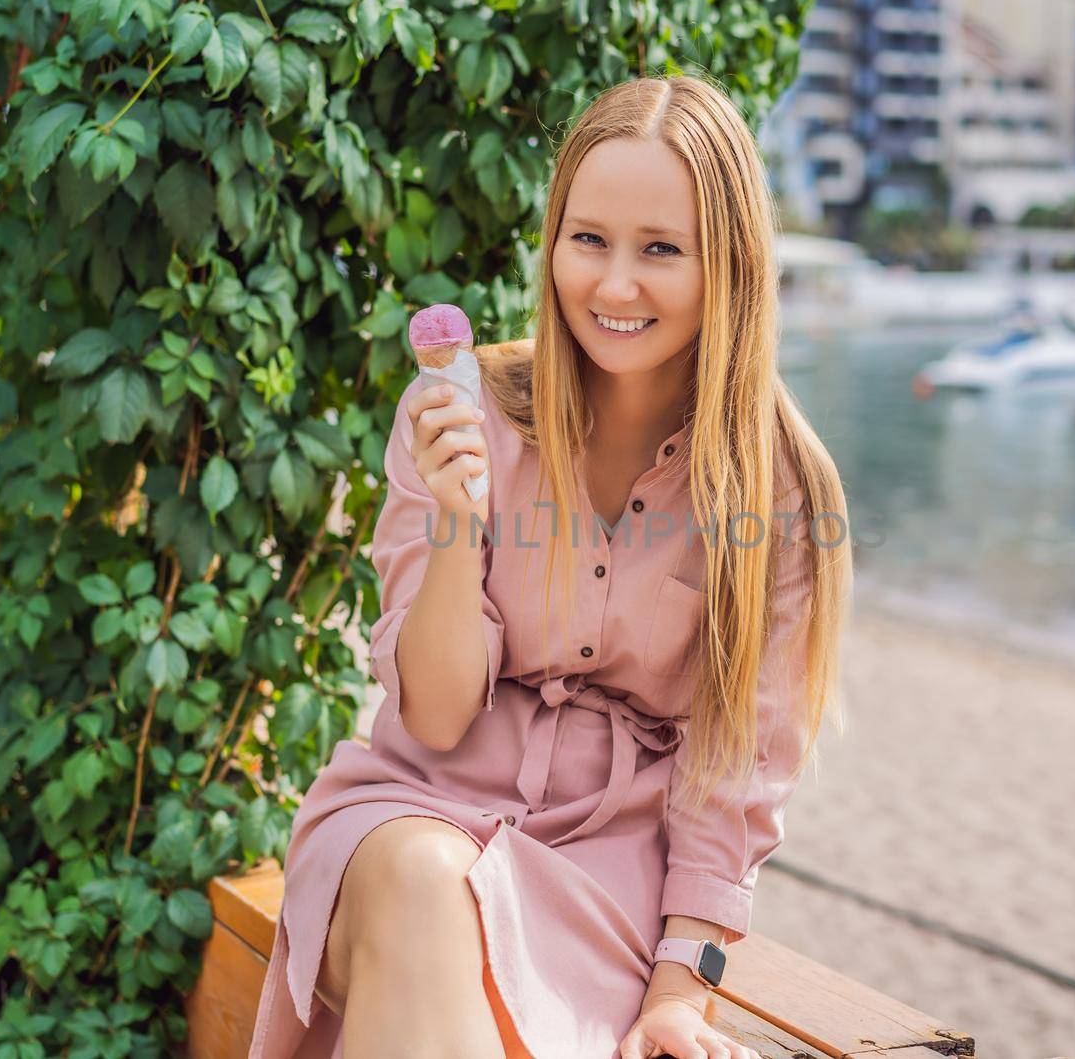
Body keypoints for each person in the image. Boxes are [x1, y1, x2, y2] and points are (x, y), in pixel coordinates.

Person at [249, 73, 851, 1059]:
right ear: (554, 243)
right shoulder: (458, 409)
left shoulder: (781, 490)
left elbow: (730, 784)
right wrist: (457, 518)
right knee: (424, 885)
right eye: (588, 240)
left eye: (660, 249)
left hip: (606, 881)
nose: (614, 285)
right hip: (410, 816)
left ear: (729, 265)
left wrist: (678, 996)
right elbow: (433, 717)